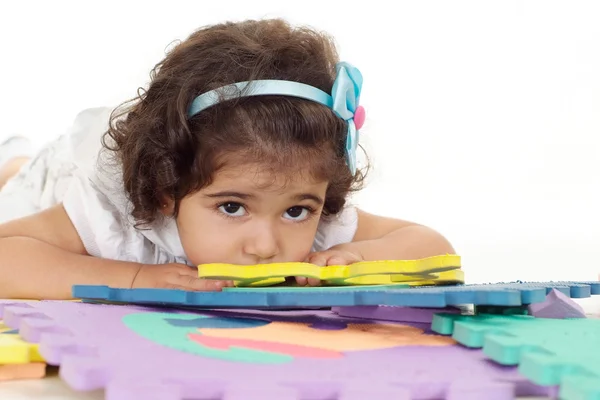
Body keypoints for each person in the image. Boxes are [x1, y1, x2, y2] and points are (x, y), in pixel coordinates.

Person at [0, 18, 455, 300]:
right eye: (232, 207)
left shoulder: (306, 208)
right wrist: (132, 277)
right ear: (166, 191)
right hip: (49, 184)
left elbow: (433, 246)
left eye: (297, 210)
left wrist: (356, 256)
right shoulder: (113, 217)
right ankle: (13, 162)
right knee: (16, 188)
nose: (265, 246)